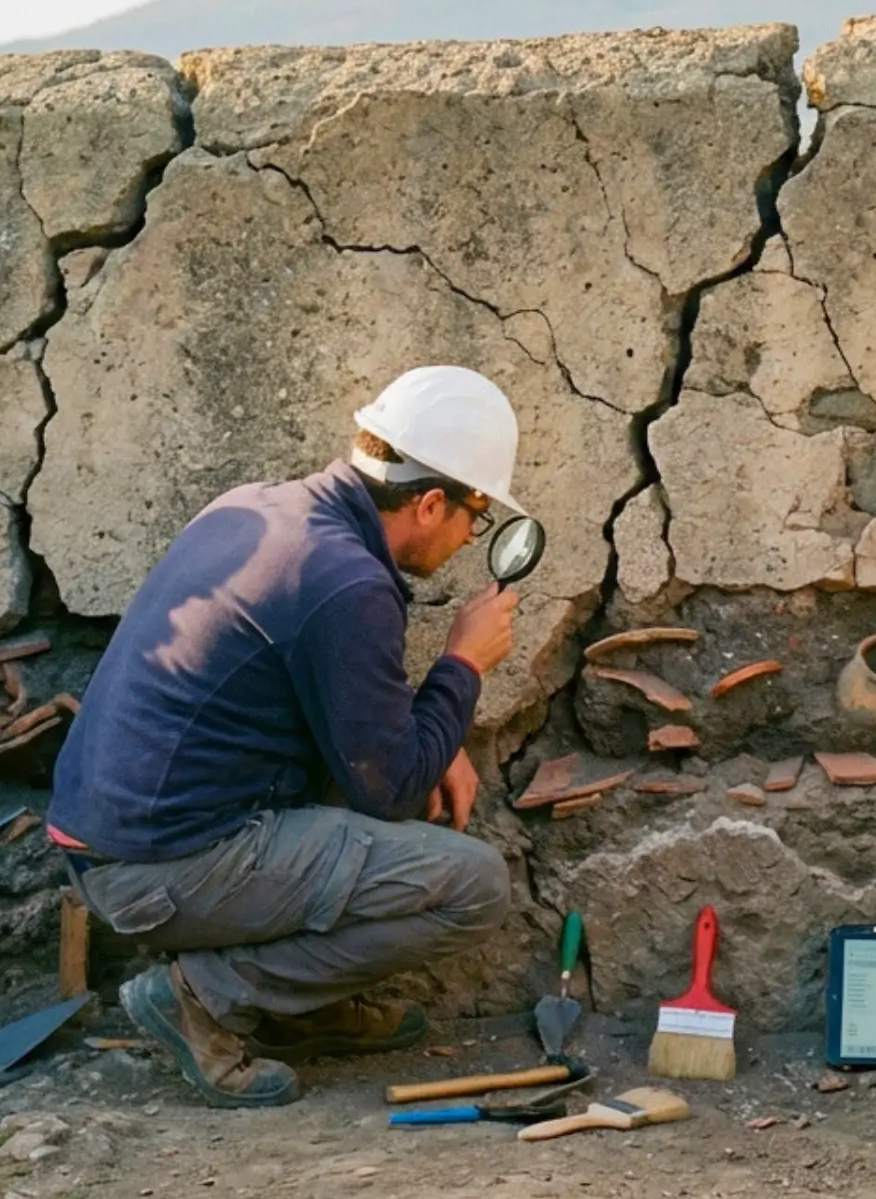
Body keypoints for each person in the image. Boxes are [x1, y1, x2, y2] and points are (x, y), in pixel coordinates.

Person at [46, 366, 525, 1108]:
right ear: (431, 504)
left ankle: (296, 1007)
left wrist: (436, 729)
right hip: (160, 869)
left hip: (105, 845)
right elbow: (392, 787)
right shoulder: (349, 583)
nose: (470, 538)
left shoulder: (264, 510)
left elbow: (343, 705)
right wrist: (462, 665)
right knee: (473, 885)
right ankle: (203, 999)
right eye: (475, 516)